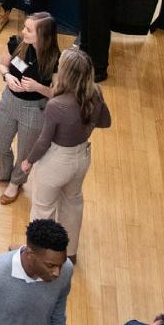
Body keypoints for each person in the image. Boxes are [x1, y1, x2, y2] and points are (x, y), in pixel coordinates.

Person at [21, 49, 111, 261]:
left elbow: (44, 141)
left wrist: (28, 160)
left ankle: (36, 256)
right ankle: (70, 254)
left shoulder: (56, 105)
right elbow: (105, 121)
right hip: (82, 158)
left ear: (66, 74)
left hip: (57, 161)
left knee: (42, 209)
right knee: (73, 204)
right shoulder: (95, 92)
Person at [0, 12, 60, 205]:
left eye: (29, 29)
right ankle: (4, 172)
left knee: (25, 154)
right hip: (8, 101)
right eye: (25, 27)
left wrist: (38, 87)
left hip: (35, 110)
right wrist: (7, 77)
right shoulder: (16, 43)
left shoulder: (56, 59)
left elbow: (56, 94)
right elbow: (2, 65)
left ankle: (16, 182)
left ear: (43, 35)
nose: (23, 31)